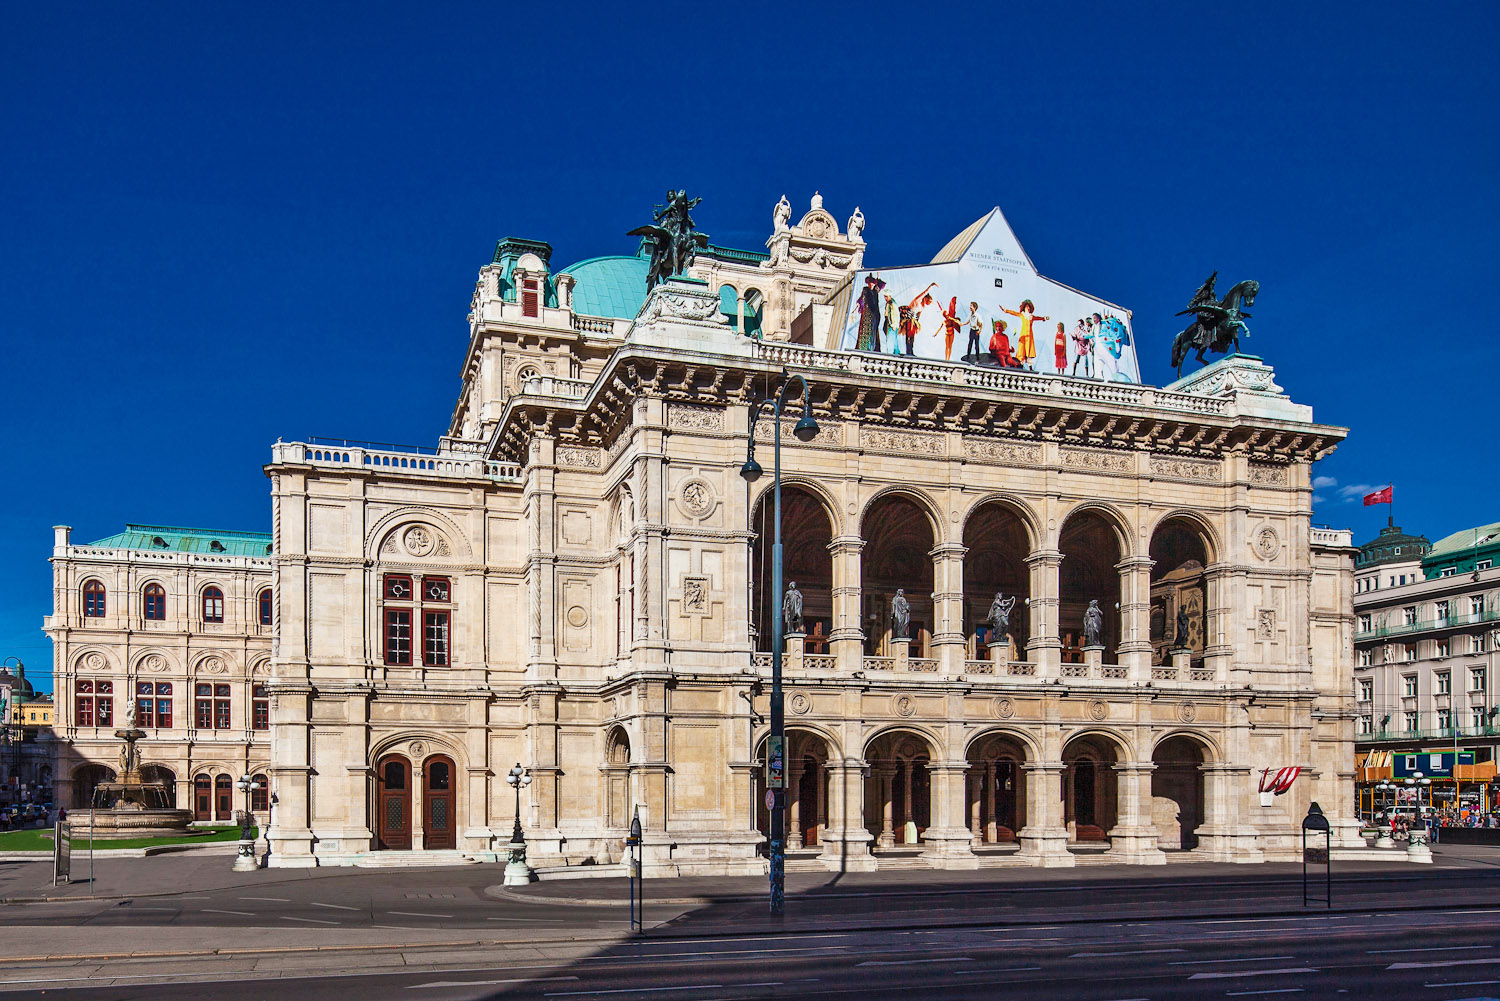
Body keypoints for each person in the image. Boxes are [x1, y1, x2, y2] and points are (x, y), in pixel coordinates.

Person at [1001, 300, 1049, 371]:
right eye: (1027, 307)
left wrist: (1044, 318)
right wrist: (1006, 310)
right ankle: (1021, 364)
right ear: (1024, 307)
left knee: (1029, 350)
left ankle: (1030, 367)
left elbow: (1038, 318)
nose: (1028, 308)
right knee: (1022, 349)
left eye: (1029, 307)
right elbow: (1014, 313)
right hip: (1023, 335)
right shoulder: (1022, 315)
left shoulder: (1031, 317)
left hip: (1029, 336)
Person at [933, 296, 963, 361]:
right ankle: (946, 359)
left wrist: (951, 318)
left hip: (952, 333)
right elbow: (940, 328)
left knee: (950, 347)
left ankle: (948, 359)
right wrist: (936, 333)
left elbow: (956, 321)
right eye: (945, 315)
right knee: (947, 347)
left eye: (946, 315)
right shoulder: (944, 321)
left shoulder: (951, 319)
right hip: (947, 334)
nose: (946, 316)